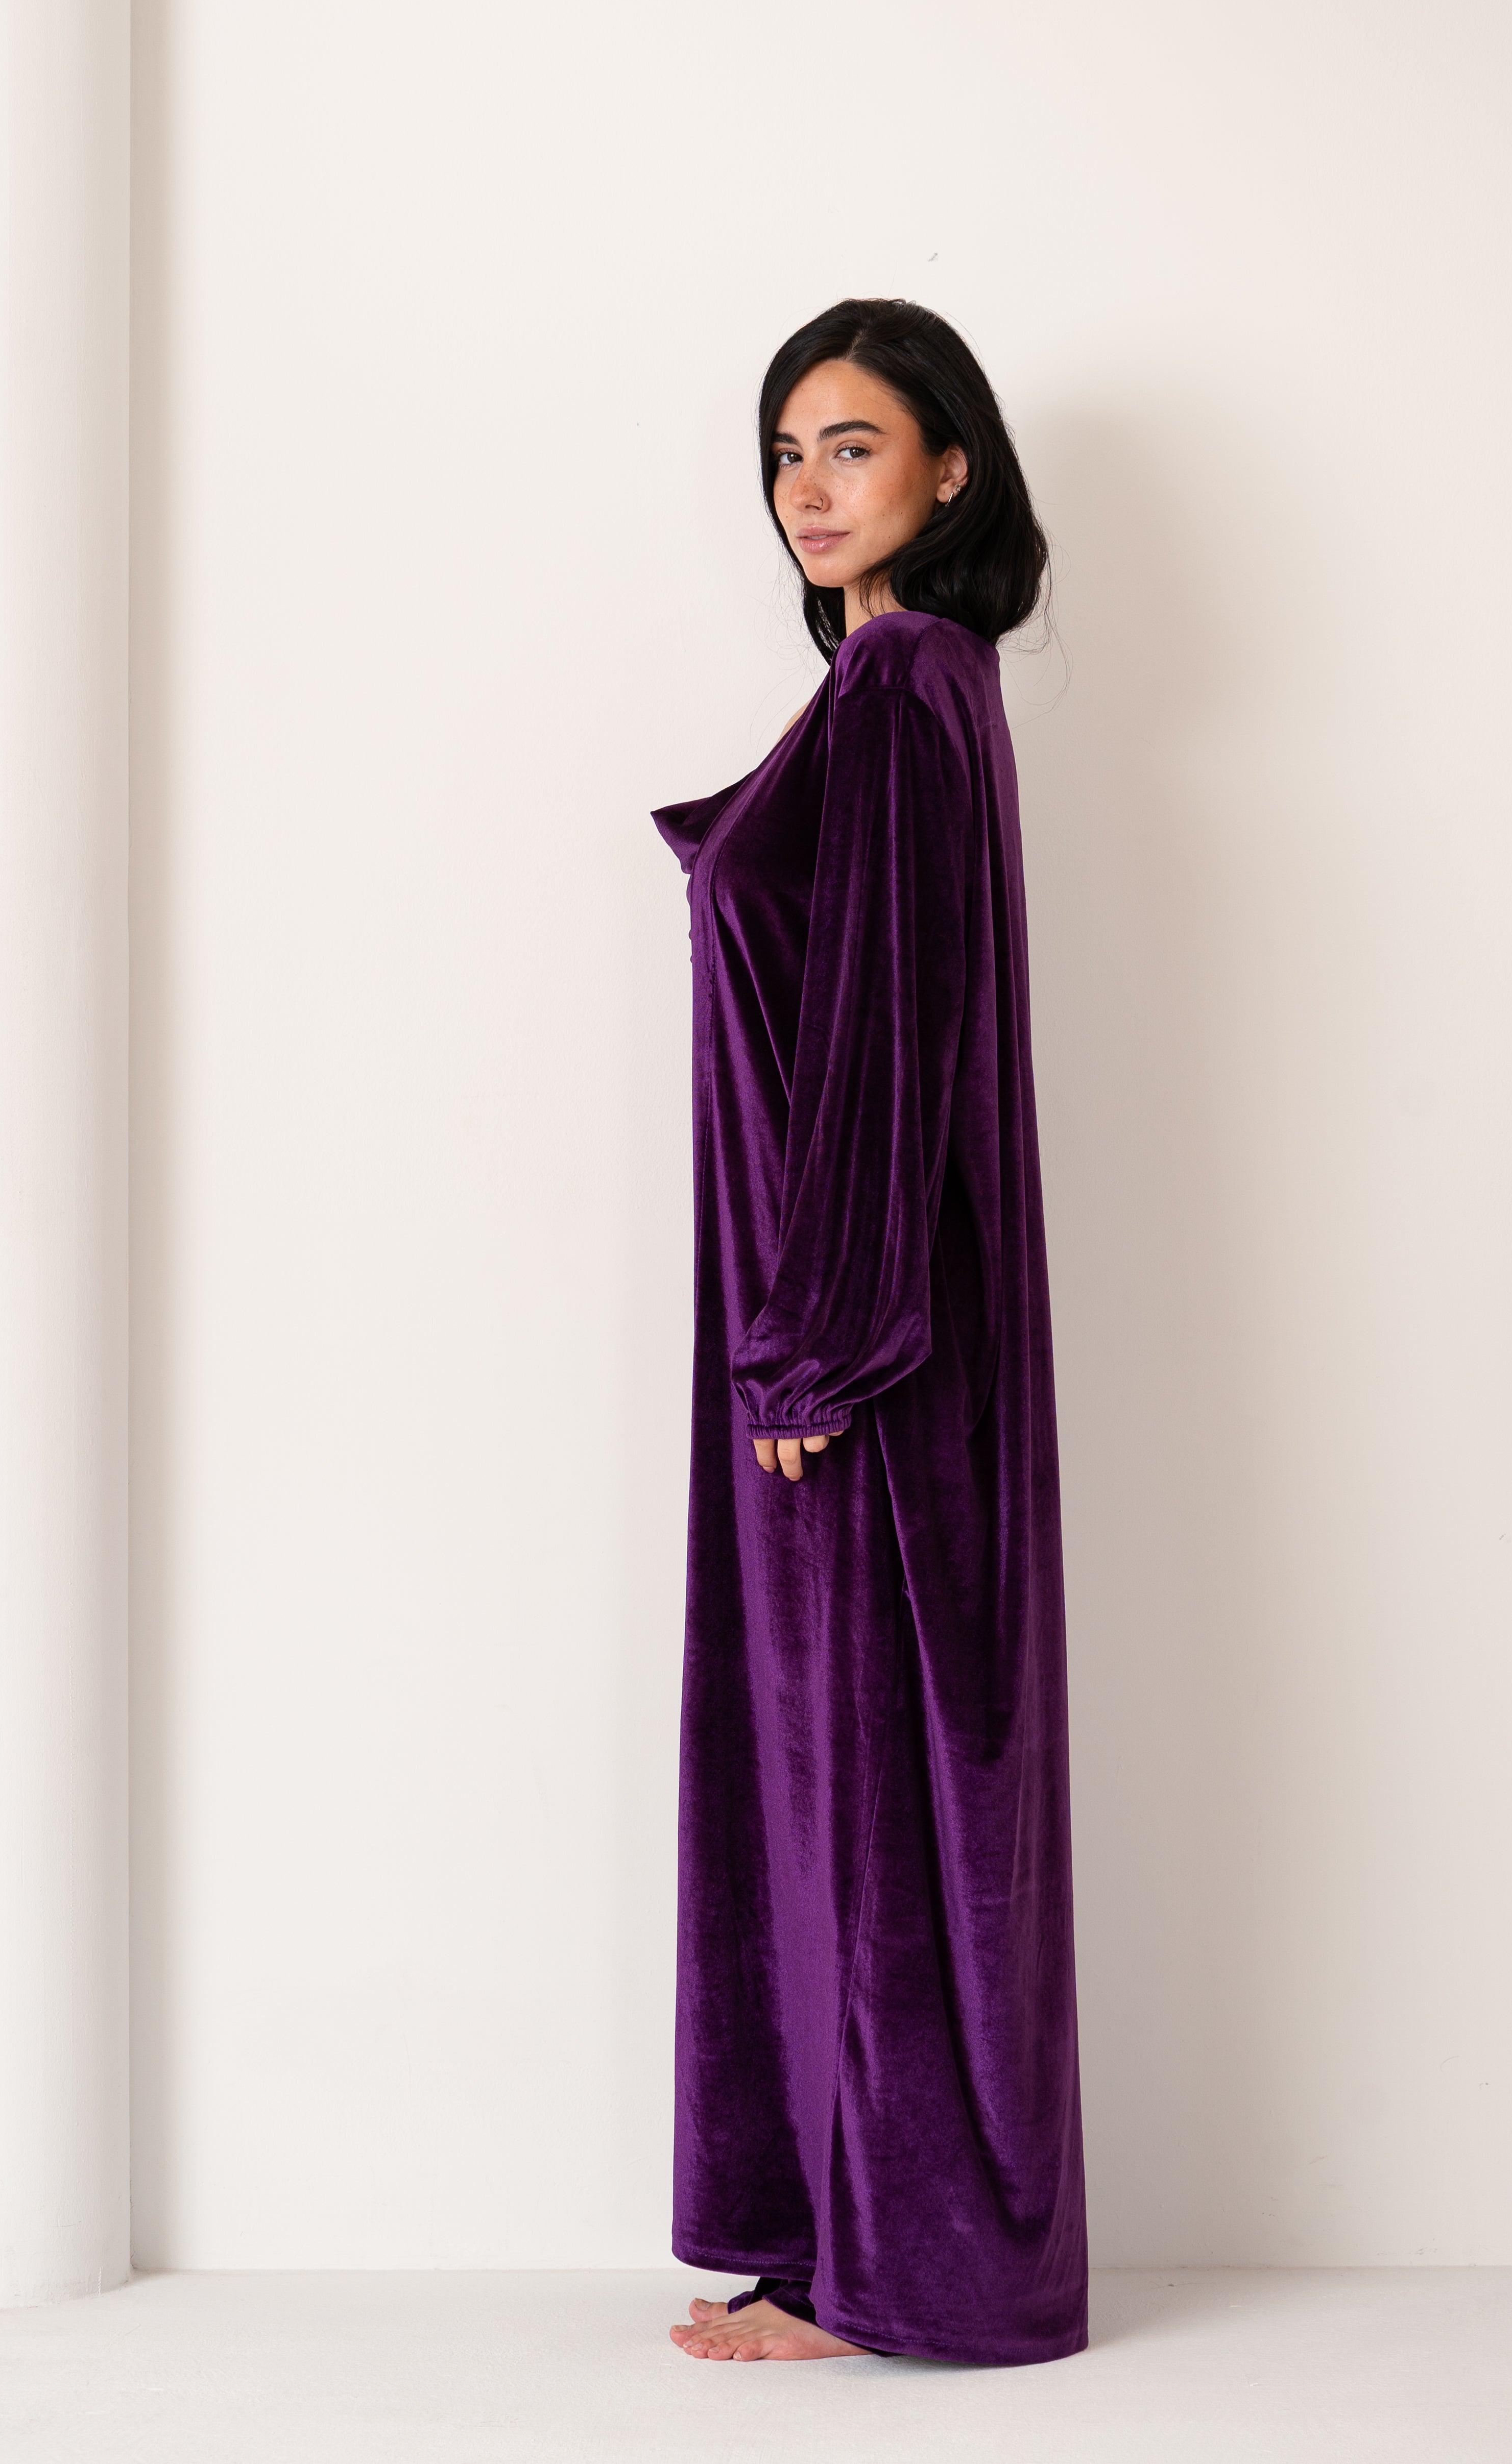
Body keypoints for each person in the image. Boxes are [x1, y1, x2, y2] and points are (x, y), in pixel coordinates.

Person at [653, 299, 1087, 2365]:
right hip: (831, 1328)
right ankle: (838, 2236)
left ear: (951, 468)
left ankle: (891, 2270)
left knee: (871, 1785)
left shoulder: (909, 681)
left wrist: (816, 1348)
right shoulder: (892, 687)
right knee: (836, 1784)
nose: (806, 489)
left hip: (861, 1351)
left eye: (851, 446)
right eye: (785, 453)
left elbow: (883, 1038)